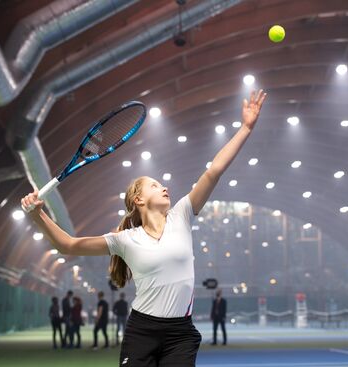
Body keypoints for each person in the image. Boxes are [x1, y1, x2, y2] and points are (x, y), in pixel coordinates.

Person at [21, 90, 267, 366]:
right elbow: (67, 245)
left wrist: (245, 128)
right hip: (142, 331)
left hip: (180, 334)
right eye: (154, 185)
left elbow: (213, 171)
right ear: (138, 200)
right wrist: (37, 215)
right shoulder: (124, 240)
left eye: (162, 184)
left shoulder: (182, 215)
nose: (164, 187)